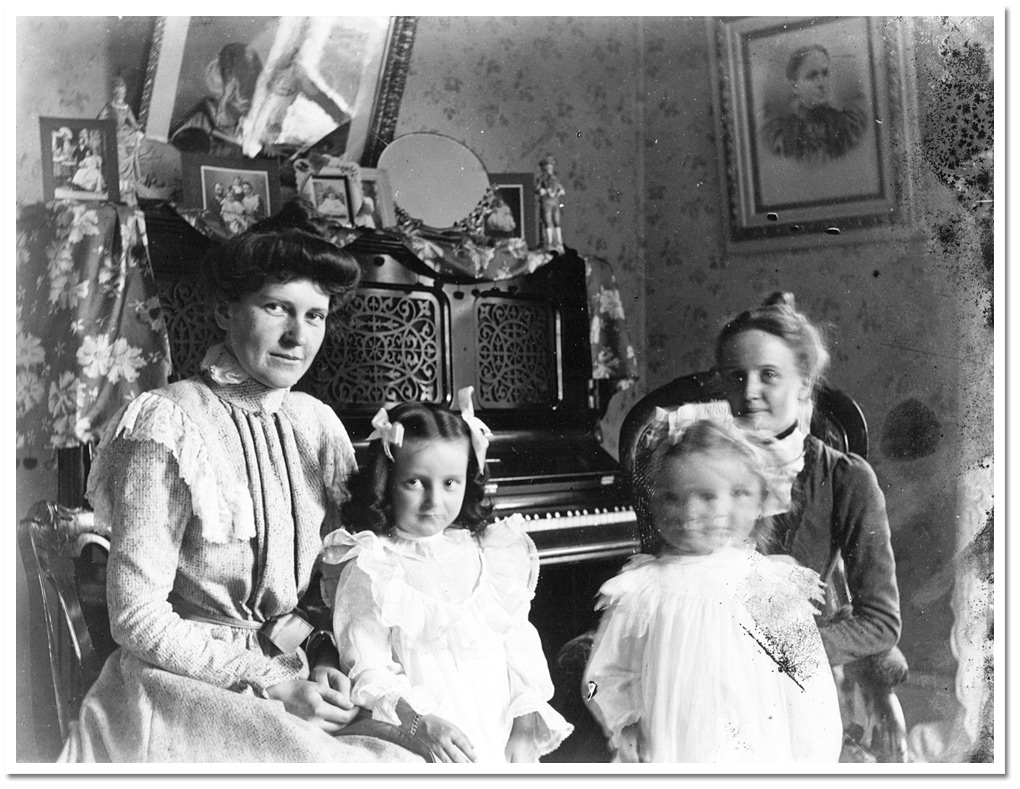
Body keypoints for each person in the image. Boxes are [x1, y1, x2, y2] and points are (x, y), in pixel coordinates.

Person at [58, 217, 423, 762]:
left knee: (417, 755)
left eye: (315, 315)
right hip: (182, 684)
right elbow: (136, 618)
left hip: (293, 671)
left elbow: (325, 589)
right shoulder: (170, 422)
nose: (299, 336)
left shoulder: (318, 425)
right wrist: (269, 682)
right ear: (225, 311)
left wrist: (321, 653)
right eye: (276, 307)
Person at [321, 391, 573, 763]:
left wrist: (523, 726)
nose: (434, 502)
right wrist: (419, 722)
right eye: (415, 482)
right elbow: (369, 668)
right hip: (428, 738)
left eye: (450, 483)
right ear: (386, 481)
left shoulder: (486, 552)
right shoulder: (373, 567)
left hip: (498, 729)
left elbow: (518, 644)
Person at [583, 411, 843, 763]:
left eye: (706, 496)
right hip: (668, 744)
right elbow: (606, 672)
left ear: (743, 499)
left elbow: (810, 688)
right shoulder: (644, 589)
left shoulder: (768, 585)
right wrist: (624, 722)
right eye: (670, 497)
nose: (687, 512)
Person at [713, 292, 902, 680]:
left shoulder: (846, 478)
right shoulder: (700, 464)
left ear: (803, 384)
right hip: (705, 652)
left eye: (768, 375)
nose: (749, 391)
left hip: (790, 672)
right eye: (736, 376)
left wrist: (786, 655)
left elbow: (881, 621)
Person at [761, 44, 866, 163]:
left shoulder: (845, 127)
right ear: (794, 86)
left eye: (825, 73)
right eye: (812, 76)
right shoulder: (783, 135)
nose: (822, 83)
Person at [535, 155, 565, 252]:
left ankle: (559, 242)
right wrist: (542, 190)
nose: (549, 169)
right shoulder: (541, 179)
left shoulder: (555, 179)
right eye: (547, 167)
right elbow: (537, 189)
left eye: (551, 167)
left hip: (554, 203)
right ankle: (549, 242)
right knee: (547, 222)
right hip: (546, 203)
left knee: (556, 222)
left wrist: (560, 191)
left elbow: (561, 189)